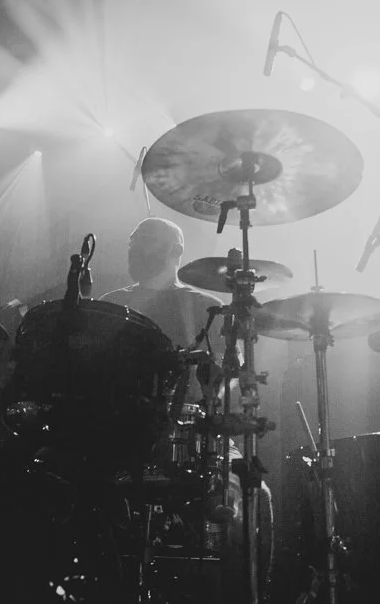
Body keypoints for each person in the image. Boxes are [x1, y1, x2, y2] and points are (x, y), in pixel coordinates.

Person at [101, 216, 273, 597]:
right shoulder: (110, 305)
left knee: (255, 496)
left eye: (146, 239)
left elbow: (231, 375)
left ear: (176, 250)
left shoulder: (206, 307)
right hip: (123, 435)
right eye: (132, 241)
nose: (134, 247)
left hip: (196, 433)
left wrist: (213, 389)